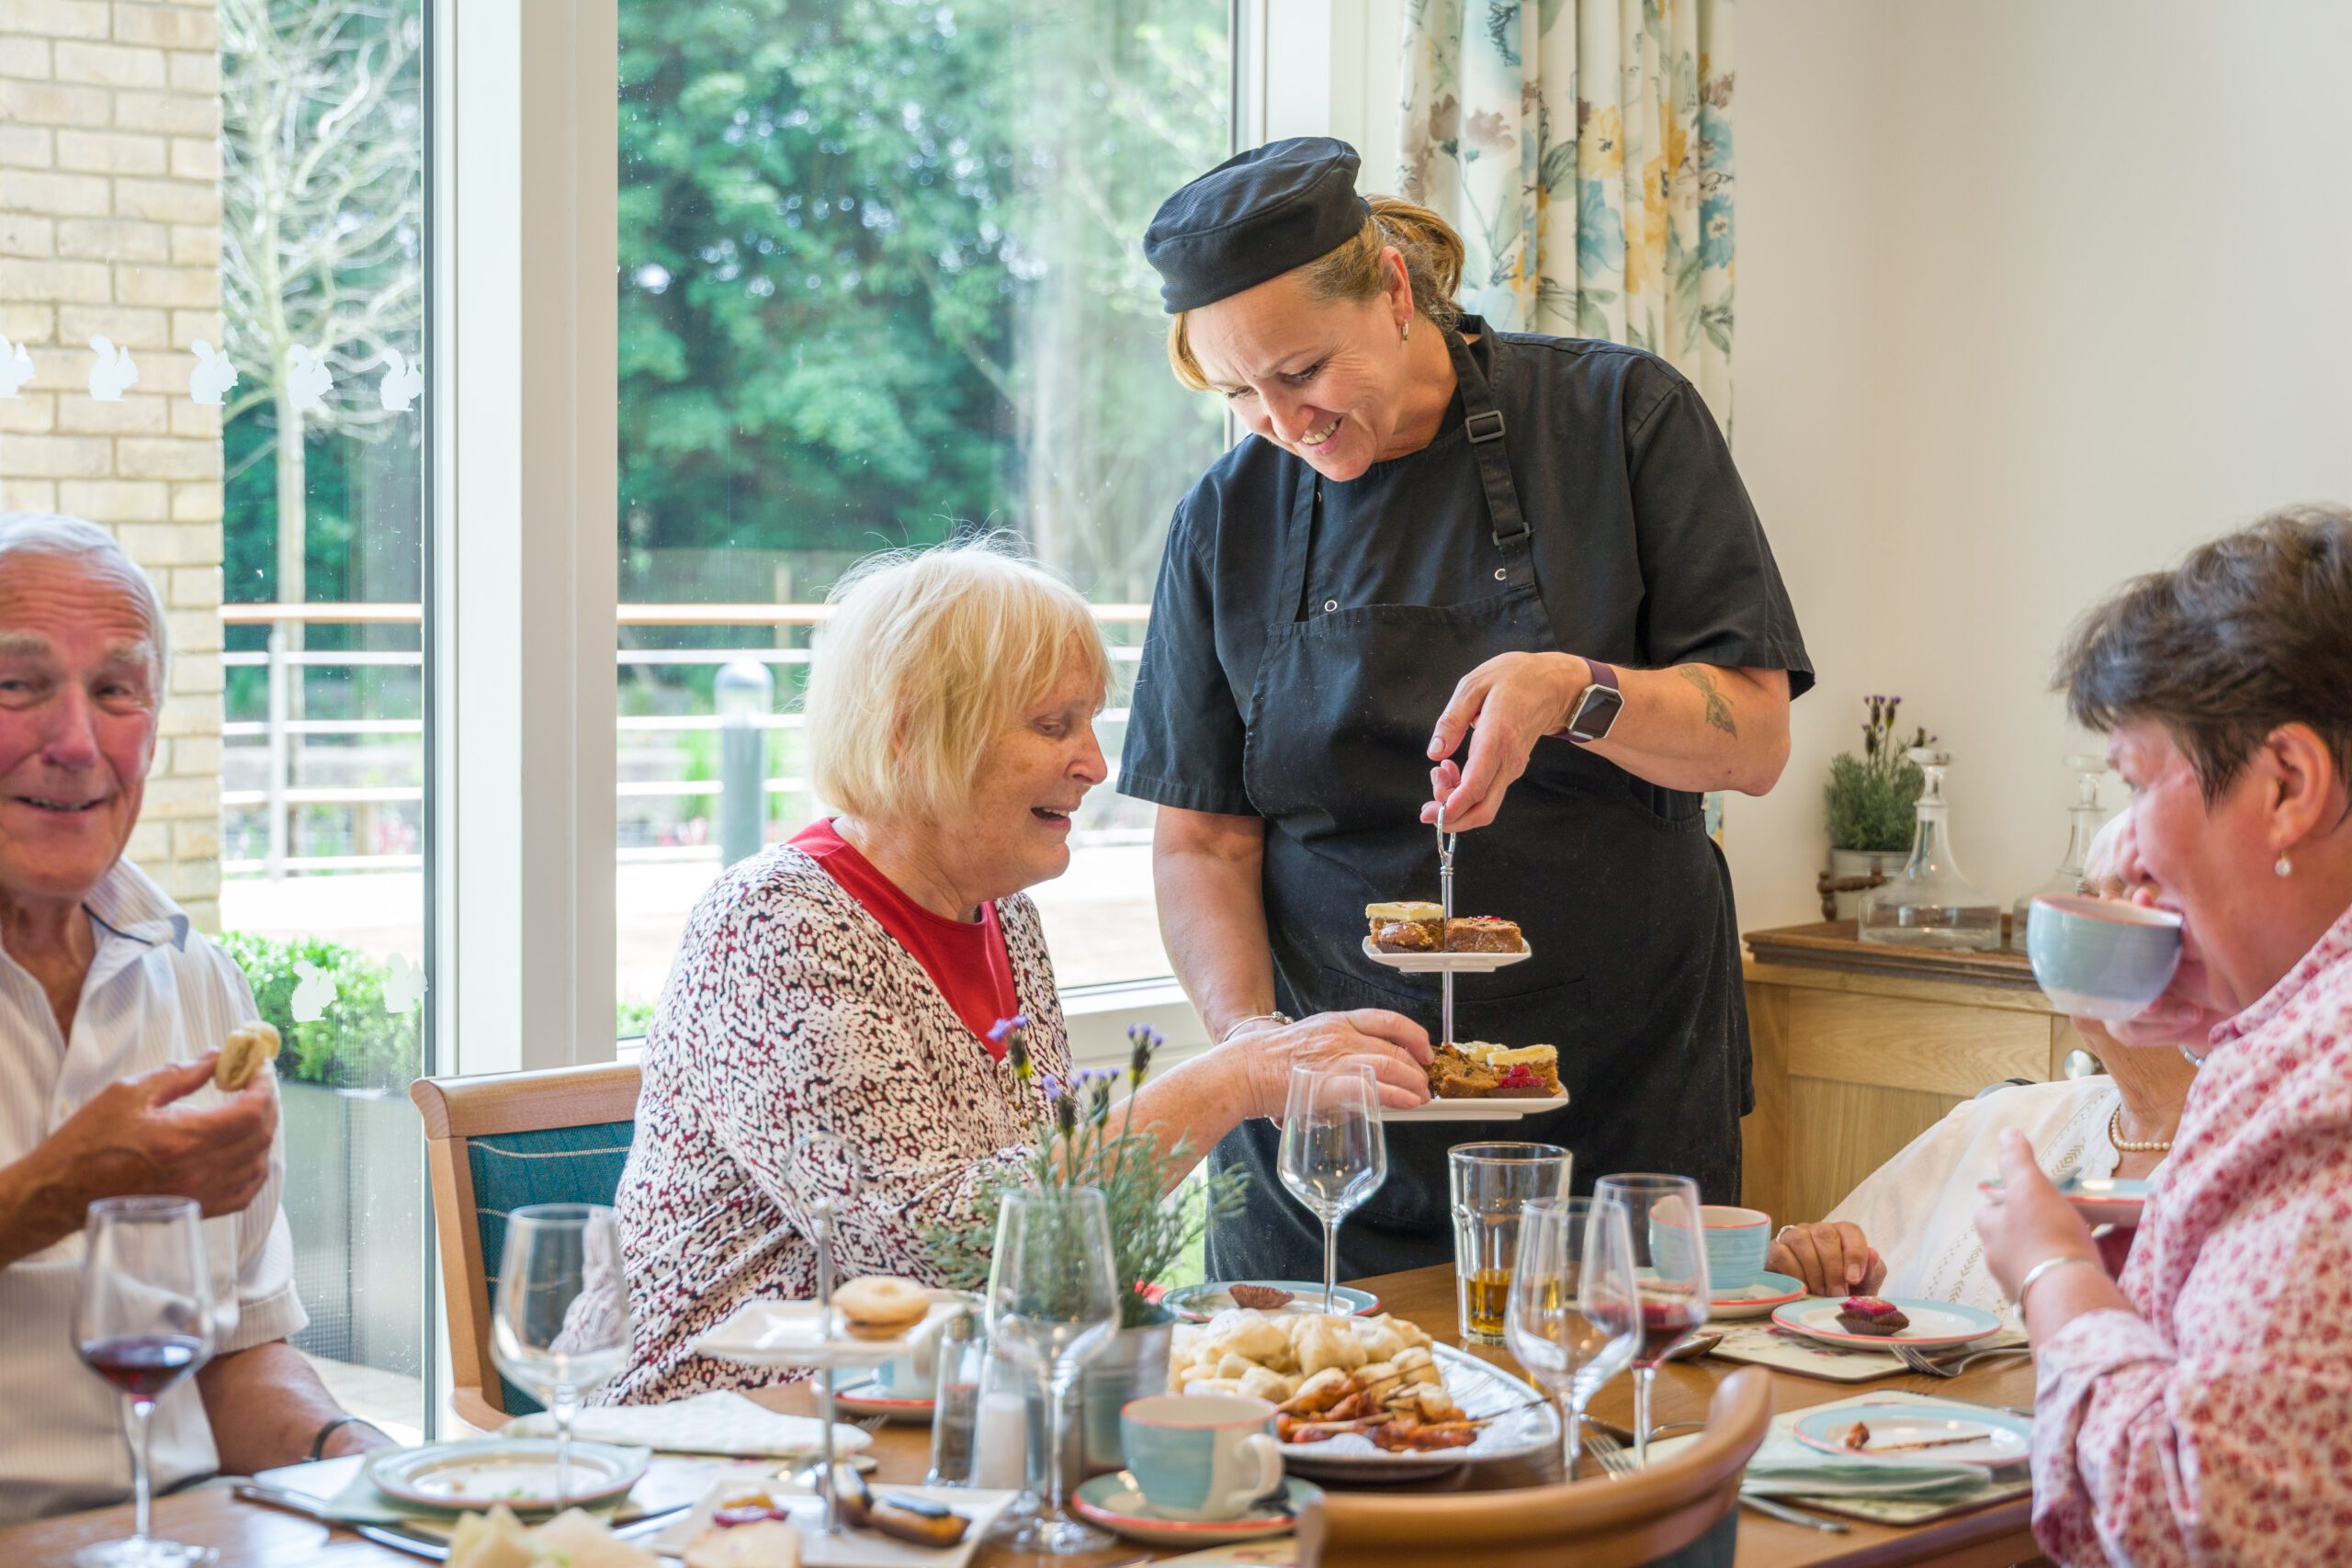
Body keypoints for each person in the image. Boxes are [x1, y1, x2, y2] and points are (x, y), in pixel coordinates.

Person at [1117, 137, 1812, 1279]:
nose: (1282, 422)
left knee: (1605, 1391)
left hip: (1617, 1110)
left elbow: (1755, 739)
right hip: (1326, 1146)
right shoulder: (1224, 518)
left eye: (1302, 370)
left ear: (1393, 290)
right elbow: (1201, 840)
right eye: (1239, 393)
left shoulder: (1619, 419)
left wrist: (1574, 690)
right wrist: (1255, 1048)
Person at [608, 542, 1440, 1404]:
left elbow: (1039, 1239)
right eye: (1053, 726)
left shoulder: (1003, 914)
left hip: (942, 1416)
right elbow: (934, 1254)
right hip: (721, 1433)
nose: (1096, 764)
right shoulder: (774, 923)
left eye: (1090, 722)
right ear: (910, 730)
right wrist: (1231, 1078)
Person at [1970, 504, 2352, 1565]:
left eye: (2138, 784)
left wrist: (2055, 1275)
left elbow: (2201, 1517)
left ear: (2287, 785)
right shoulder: (2298, 1040)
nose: (2123, 853)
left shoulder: (2327, 1091)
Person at [0, 513, 388, 1521]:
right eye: (16, 684)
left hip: (178, 1536)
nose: (76, 743)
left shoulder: (198, 980)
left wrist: (363, 1461)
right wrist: (56, 1192)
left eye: (116, 691)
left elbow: (237, 1356)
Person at [1769, 819, 2200, 1311]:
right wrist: (1817, 1263)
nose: (2087, 922)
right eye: (2086, 897)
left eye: (2130, 898)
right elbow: (1824, 1268)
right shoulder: (1997, 1120)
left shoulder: (2243, 1173)